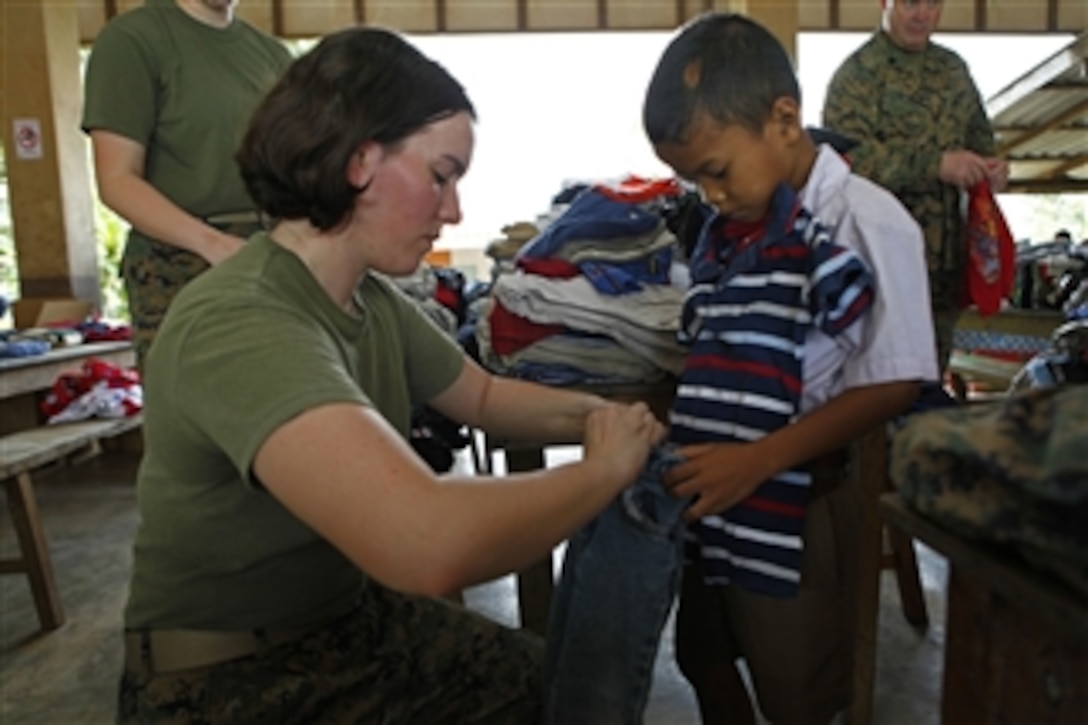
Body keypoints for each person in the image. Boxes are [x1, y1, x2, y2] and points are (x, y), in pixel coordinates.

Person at [116, 26, 666, 723]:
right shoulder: (242, 322)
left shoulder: (368, 300)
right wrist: (600, 474)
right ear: (359, 160)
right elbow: (424, 544)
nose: (454, 210)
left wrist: (601, 417)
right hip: (230, 677)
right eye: (441, 175)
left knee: (554, 690)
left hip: (345, 623)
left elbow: (484, 395)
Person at [642, 12, 939, 723]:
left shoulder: (867, 220)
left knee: (795, 686)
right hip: (717, 488)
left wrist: (760, 460)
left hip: (801, 493)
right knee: (703, 653)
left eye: (715, 172)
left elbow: (897, 377)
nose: (708, 195)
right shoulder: (730, 226)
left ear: (784, 119)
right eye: (693, 182)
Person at [81, 0, 293, 365]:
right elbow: (117, 180)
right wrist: (214, 245)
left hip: (270, 253)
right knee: (191, 405)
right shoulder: (134, 39)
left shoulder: (272, 55)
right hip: (179, 261)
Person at [822, 0, 1009, 373]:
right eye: (910, 3)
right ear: (884, 4)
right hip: (881, 265)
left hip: (944, 266)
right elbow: (846, 162)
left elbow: (980, 140)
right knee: (879, 381)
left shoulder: (952, 70)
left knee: (931, 375)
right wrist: (934, 165)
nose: (922, 15)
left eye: (933, 4)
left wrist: (993, 168)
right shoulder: (858, 75)